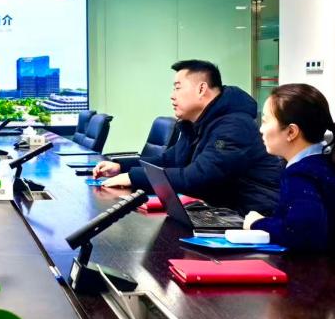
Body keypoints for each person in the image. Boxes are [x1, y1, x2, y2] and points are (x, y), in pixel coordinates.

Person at [93, 59, 282, 215]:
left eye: (177, 88)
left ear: (201, 89)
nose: (172, 96)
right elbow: (168, 160)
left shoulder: (234, 126)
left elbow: (199, 178)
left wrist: (133, 178)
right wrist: (121, 166)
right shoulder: (195, 124)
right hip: (222, 213)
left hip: (253, 220)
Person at [245, 83, 335, 271]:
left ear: (291, 132)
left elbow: (301, 234)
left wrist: (257, 223)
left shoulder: (303, 173)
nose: (261, 129)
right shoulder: (325, 163)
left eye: (265, 121)